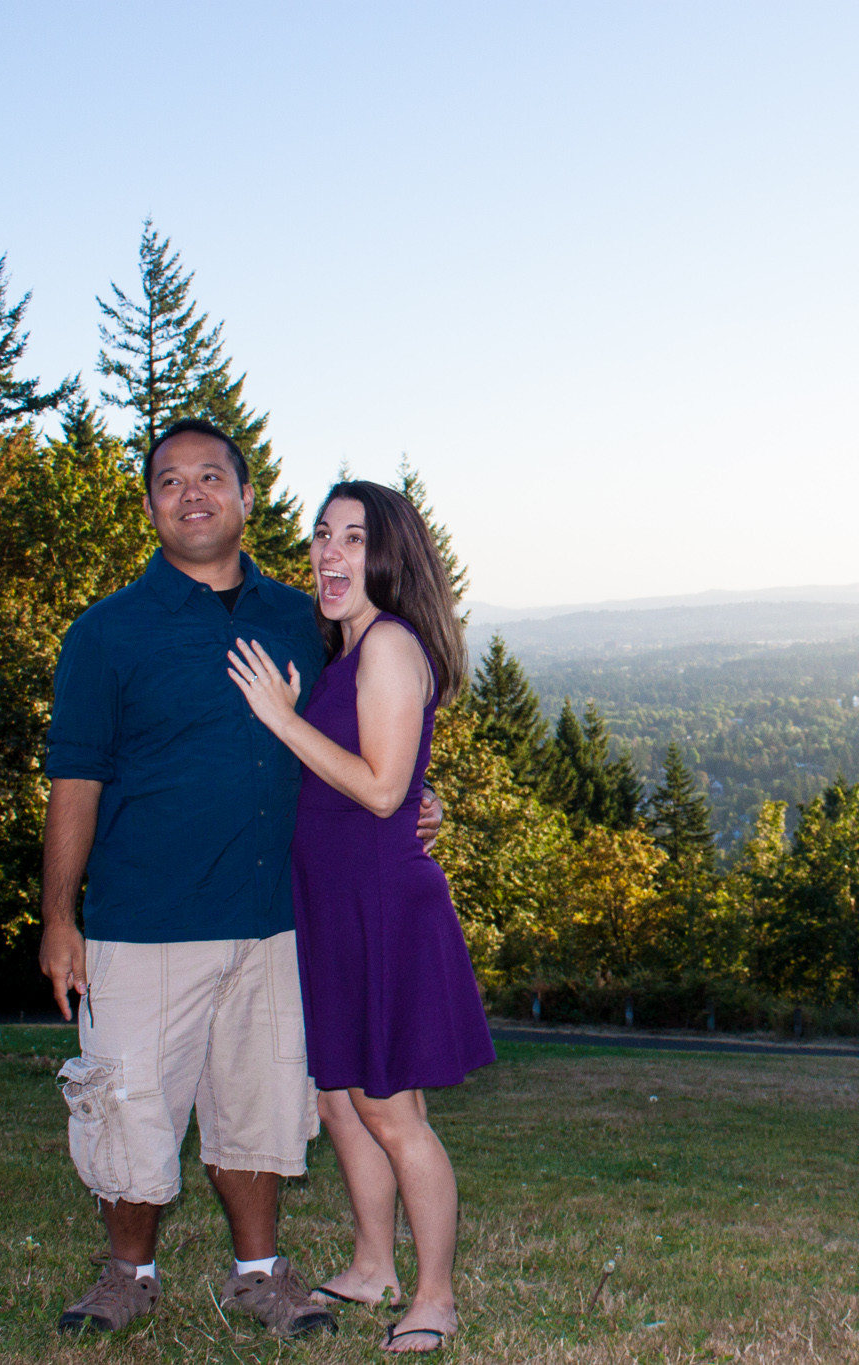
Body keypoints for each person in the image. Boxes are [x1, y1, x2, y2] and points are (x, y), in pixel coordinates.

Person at [38, 422, 443, 1338]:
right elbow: (75, 778)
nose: (192, 493)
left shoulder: (306, 618)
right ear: (150, 505)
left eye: (211, 476)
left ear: (247, 496)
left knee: (260, 1110)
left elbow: (369, 724)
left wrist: (423, 797)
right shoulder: (106, 633)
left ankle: (260, 1274)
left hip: (276, 922)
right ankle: (127, 1274)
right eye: (169, 481)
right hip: (145, 919)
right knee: (126, 1107)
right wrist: (59, 915)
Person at [226, 479, 495, 1354]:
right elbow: (390, 774)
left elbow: (381, 790)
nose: (329, 552)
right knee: (339, 1100)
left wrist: (281, 718)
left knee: (390, 1109)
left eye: (353, 537)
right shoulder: (343, 652)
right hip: (333, 900)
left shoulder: (387, 643)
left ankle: (435, 1297)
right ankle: (374, 1264)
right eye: (321, 534)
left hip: (381, 902)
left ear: (388, 556)